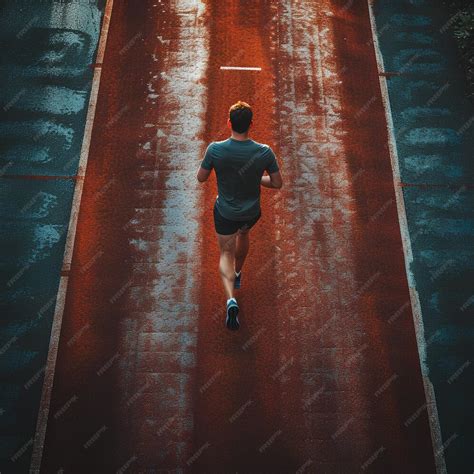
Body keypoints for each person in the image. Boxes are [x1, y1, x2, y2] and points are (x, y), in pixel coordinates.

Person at [196, 101, 283, 330]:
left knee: (225, 251)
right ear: (251, 124)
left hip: (224, 212)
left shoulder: (215, 149)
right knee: (243, 234)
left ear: (229, 123)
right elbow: (277, 183)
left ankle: (230, 299)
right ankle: (238, 272)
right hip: (251, 212)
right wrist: (256, 179)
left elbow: (201, 178)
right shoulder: (264, 152)